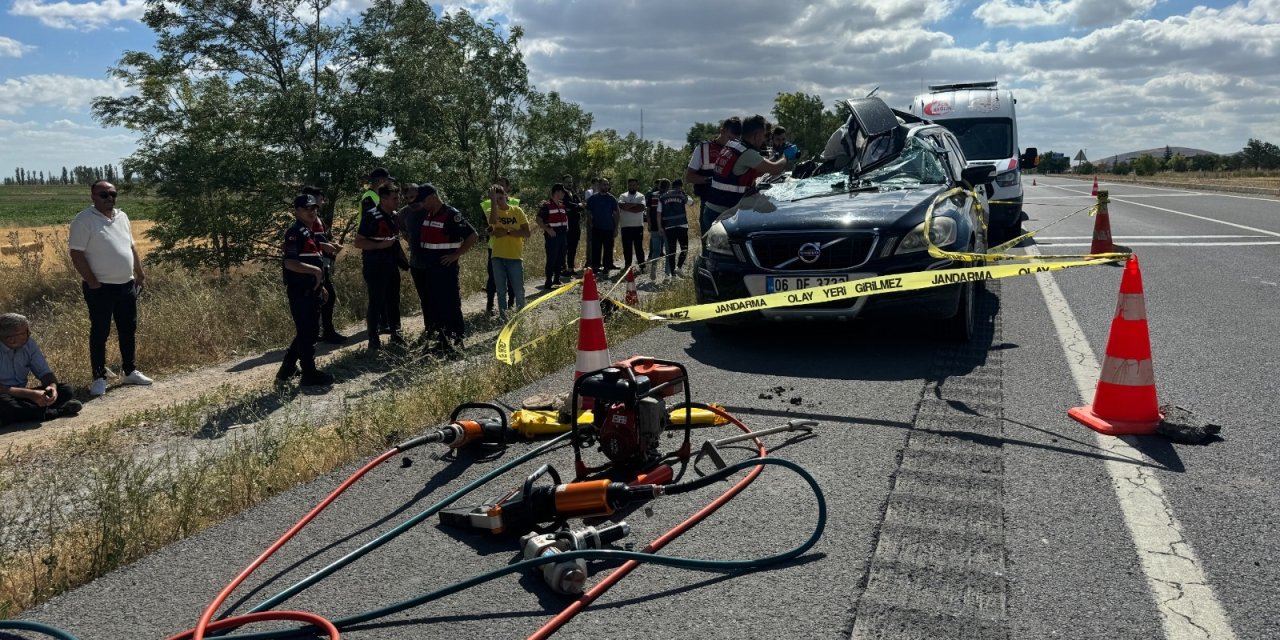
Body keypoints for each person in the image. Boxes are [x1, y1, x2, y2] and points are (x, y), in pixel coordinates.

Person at [69, 180, 153, 397]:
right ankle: (99, 378)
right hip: (100, 289)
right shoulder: (83, 220)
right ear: (93, 197)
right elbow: (76, 254)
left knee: (128, 329)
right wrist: (92, 281)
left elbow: (131, 247)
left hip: (126, 285)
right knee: (100, 332)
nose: (110, 198)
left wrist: (140, 273)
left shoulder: (122, 217)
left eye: (113, 194)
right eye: (103, 194)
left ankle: (130, 371)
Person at [400, 184, 477, 355]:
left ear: (433, 197)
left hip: (445, 269)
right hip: (430, 269)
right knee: (437, 306)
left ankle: (457, 343)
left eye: (424, 201)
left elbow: (473, 236)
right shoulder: (429, 214)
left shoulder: (451, 215)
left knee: (450, 305)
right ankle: (443, 341)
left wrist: (455, 255)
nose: (422, 205)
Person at [276, 195, 335, 387]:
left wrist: (322, 285)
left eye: (314, 208)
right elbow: (290, 262)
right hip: (301, 291)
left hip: (312, 290)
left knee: (306, 331)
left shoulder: (308, 233)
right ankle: (309, 374)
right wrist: (315, 271)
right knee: (308, 333)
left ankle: (287, 369)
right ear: (297, 211)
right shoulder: (294, 233)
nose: (312, 212)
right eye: (306, 208)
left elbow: (313, 259)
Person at [702, 114, 789, 228]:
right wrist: (785, 156)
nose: (763, 140)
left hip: (712, 209)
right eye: (763, 135)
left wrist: (777, 155)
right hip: (721, 214)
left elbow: (758, 170)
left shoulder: (734, 145)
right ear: (756, 135)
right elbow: (775, 169)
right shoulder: (747, 153)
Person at [1, 313, 82, 425]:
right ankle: (57, 411)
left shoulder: (29, 344)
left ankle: (26, 412)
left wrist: (51, 387)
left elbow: (45, 373)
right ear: (11, 340)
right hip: (5, 396)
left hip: (21, 396)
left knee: (65, 390)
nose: (30, 334)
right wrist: (30, 394)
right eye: (26, 332)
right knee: (5, 404)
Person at [354, 183, 405, 352]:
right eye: (394, 198)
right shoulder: (371, 216)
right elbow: (358, 242)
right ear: (383, 199)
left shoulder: (394, 216)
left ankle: (396, 334)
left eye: (398, 197)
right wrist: (380, 245)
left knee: (393, 300)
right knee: (376, 302)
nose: (398, 201)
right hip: (375, 266)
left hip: (391, 265)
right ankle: (373, 339)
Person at [301, 185, 345, 344]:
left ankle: (318, 330)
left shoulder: (316, 218)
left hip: (321, 261)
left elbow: (319, 239)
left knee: (324, 296)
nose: (323, 202)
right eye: (321, 199)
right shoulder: (308, 220)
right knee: (327, 296)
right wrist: (326, 246)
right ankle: (326, 331)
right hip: (314, 264)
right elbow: (311, 241)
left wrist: (331, 245)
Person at [685, 117, 742, 241]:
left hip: (734, 205)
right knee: (709, 243)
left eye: (736, 140)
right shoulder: (703, 148)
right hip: (709, 205)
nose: (732, 143)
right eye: (730, 138)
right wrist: (710, 180)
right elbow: (689, 177)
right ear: (722, 131)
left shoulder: (740, 150)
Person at [487, 185, 530, 320]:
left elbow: (526, 233)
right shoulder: (493, 211)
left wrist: (507, 232)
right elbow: (493, 221)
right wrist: (493, 202)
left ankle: (520, 318)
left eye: (500, 198)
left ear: (506, 196)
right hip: (498, 256)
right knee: (501, 290)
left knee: (518, 290)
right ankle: (504, 319)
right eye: (495, 199)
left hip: (514, 256)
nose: (499, 201)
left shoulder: (517, 211)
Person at [481, 177, 520, 315]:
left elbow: (517, 224)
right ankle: (490, 305)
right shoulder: (486, 204)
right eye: (494, 186)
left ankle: (510, 305)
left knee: (512, 277)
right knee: (493, 277)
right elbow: (489, 224)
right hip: (495, 246)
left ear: (507, 189)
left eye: (501, 186)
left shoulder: (515, 203)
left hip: (512, 246)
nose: (497, 188)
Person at [535, 183, 571, 290]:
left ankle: (556, 278)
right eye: (562, 192)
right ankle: (548, 281)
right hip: (553, 237)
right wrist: (548, 229)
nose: (564, 194)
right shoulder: (546, 205)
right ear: (557, 192)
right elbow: (538, 219)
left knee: (560, 258)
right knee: (552, 259)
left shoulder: (562, 205)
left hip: (562, 236)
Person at [585, 179, 619, 275]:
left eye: (607, 185)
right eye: (604, 184)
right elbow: (588, 211)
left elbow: (616, 213)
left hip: (609, 228)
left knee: (608, 249)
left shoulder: (612, 199)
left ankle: (606, 267)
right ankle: (595, 267)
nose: (606, 186)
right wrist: (591, 223)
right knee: (596, 248)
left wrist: (616, 227)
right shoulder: (593, 198)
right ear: (599, 185)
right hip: (597, 228)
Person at [659, 179, 691, 277]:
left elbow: (659, 212)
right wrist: (684, 193)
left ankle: (673, 274)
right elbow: (691, 202)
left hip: (669, 227)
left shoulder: (663, 197)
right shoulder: (681, 195)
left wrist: (660, 226)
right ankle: (679, 267)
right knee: (684, 248)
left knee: (671, 251)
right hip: (682, 225)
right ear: (681, 186)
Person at [617, 178, 647, 271]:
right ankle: (628, 265)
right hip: (625, 226)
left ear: (637, 186)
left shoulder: (641, 196)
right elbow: (621, 205)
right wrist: (634, 205)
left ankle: (642, 266)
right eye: (630, 185)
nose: (632, 187)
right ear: (628, 186)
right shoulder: (623, 195)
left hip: (638, 226)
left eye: (634, 185)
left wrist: (628, 207)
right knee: (627, 247)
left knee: (639, 247)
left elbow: (641, 207)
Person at [560, 174, 584, 278]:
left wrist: (576, 207)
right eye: (567, 182)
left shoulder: (573, 193)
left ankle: (571, 268)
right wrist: (576, 206)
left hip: (575, 224)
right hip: (566, 224)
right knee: (564, 247)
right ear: (563, 183)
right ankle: (563, 269)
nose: (569, 183)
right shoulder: (561, 193)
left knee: (573, 247)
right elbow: (567, 205)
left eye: (571, 182)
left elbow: (581, 206)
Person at [646, 179, 667, 279]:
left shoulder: (652, 195)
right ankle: (668, 273)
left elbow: (648, 211)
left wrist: (649, 223)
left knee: (656, 251)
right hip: (667, 226)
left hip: (654, 225)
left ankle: (653, 270)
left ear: (659, 186)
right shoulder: (669, 196)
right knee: (668, 250)